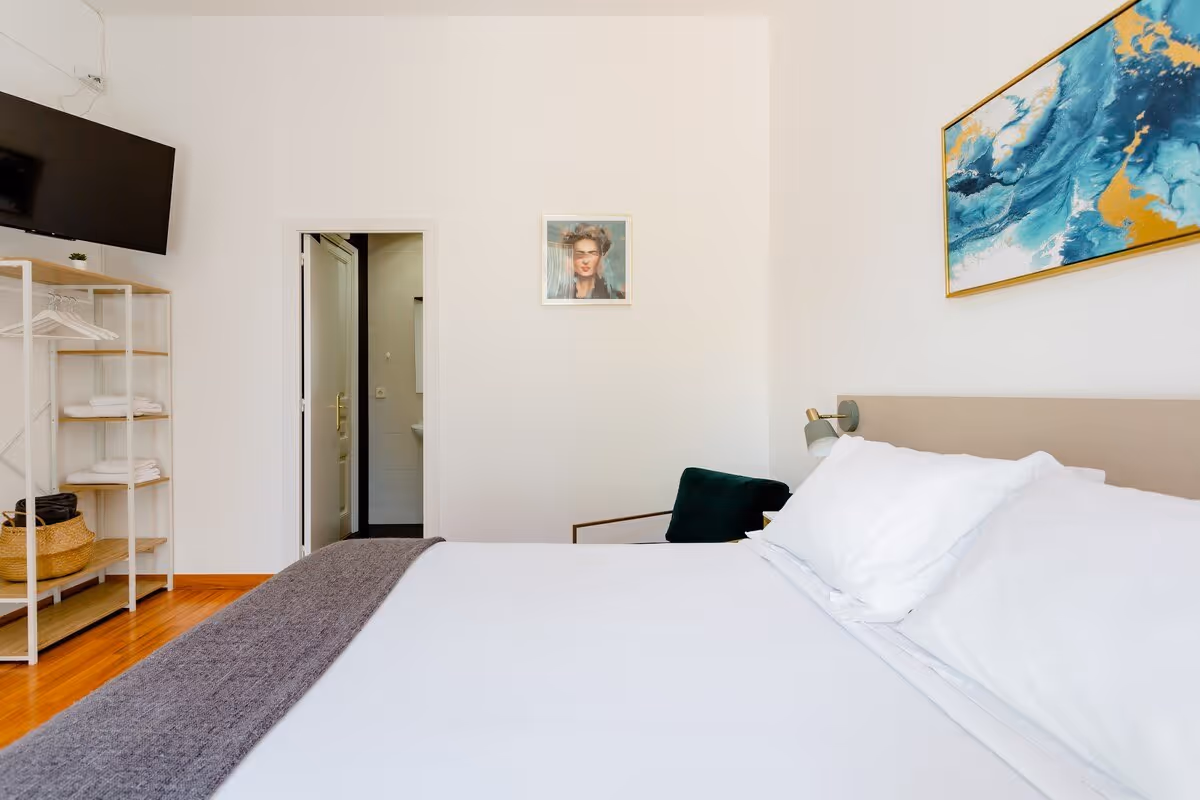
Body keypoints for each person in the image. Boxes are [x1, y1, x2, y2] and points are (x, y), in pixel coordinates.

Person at [555, 223, 625, 300]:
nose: (585, 261)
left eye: (592, 254)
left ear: (600, 256)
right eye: (580, 254)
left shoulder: (615, 298)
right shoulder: (560, 296)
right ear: (572, 257)